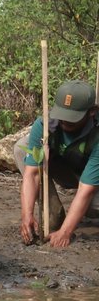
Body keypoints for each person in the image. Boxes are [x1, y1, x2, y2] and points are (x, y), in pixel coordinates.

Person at [18, 79, 98, 248]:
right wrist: (27, 214)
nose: (65, 121)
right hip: (65, 169)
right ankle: (54, 212)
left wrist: (65, 232)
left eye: (73, 117)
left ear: (92, 112)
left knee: (92, 208)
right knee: (21, 148)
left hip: (92, 181)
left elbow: (86, 189)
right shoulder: (46, 124)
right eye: (63, 114)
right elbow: (32, 174)